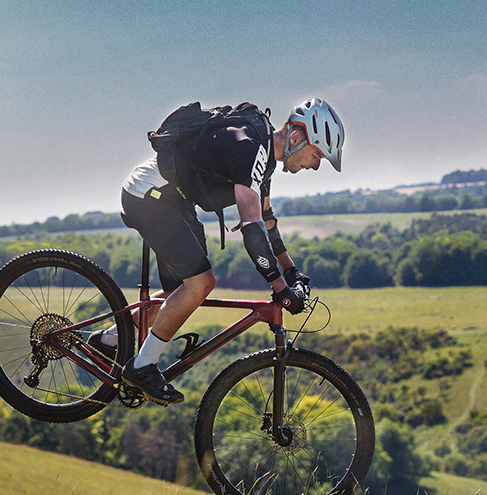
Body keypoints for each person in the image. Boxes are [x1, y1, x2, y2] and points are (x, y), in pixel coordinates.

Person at [92, 97, 344, 405]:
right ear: (295, 137)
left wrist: (291, 271)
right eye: (317, 155)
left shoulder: (263, 160)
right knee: (201, 283)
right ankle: (142, 368)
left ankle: (108, 340)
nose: (316, 165)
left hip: (175, 200)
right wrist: (280, 288)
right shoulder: (249, 146)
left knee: (181, 295)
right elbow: (251, 229)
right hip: (150, 195)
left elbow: (267, 221)